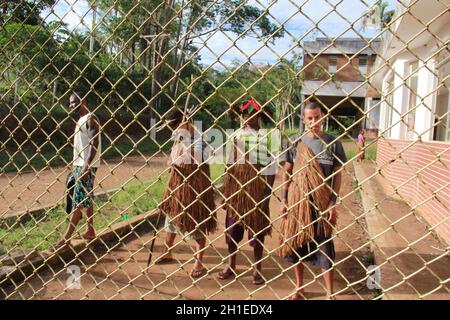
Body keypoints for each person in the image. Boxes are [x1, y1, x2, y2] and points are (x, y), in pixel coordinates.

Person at [279, 102, 347, 300]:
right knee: (296, 244)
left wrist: (332, 202)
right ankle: (300, 287)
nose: (314, 122)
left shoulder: (333, 143)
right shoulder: (295, 142)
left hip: (322, 204)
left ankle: (329, 292)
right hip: (298, 203)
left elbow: (337, 175)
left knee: (325, 246)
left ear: (323, 116)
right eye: (309, 118)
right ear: (304, 119)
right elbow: (287, 173)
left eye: (317, 117)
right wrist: (284, 200)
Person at [218, 99, 276, 285]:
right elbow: (228, 166)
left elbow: (271, 169)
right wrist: (226, 191)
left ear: (258, 115)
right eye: (243, 114)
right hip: (236, 192)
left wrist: (266, 196)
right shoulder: (235, 135)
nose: (245, 117)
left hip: (257, 191)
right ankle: (231, 264)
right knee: (232, 230)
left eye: (250, 113)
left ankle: (257, 269)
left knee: (257, 232)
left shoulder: (268, 137)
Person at [155, 108, 217, 279]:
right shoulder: (178, 138)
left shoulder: (199, 138)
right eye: (172, 126)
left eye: (176, 124)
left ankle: (199, 261)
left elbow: (199, 160)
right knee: (171, 220)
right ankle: (168, 251)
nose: (174, 129)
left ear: (185, 121)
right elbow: (172, 159)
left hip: (195, 189)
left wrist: (185, 144)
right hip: (177, 187)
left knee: (196, 224)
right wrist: (171, 162)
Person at [55, 91, 101, 249]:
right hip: (79, 165)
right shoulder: (80, 120)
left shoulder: (90, 118)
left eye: (75, 102)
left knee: (78, 200)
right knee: (85, 197)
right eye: (70, 103)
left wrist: (86, 166)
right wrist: (75, 166)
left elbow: (94, 143)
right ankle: (90, 229)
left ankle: (66, 238)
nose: (71, 105)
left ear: (84, 101)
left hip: (86, 166)